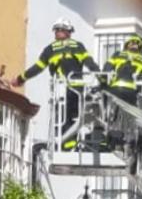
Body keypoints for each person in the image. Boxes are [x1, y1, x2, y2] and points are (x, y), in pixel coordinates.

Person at [12, 19, 99, 151]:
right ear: (70, 32)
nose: (58, 33)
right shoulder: (77, 46)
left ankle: (64, 146)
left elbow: (37, 68)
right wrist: (102, 78)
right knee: (72, 119)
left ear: (66, 32)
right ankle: (67, 146)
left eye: (59, 30)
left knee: (63, 119)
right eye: (57, 30)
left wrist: (20, 79)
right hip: (76, 90)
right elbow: (90, 63)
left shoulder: (50, 49)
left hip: (62, 90)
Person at [105, 34, 142, 106]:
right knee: (129, 114)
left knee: (110, 107)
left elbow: (106, 69)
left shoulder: (117, 54)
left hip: (116, 88)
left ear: (127, 45)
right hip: (132, 92)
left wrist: (104, 83)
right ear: (140, 47)